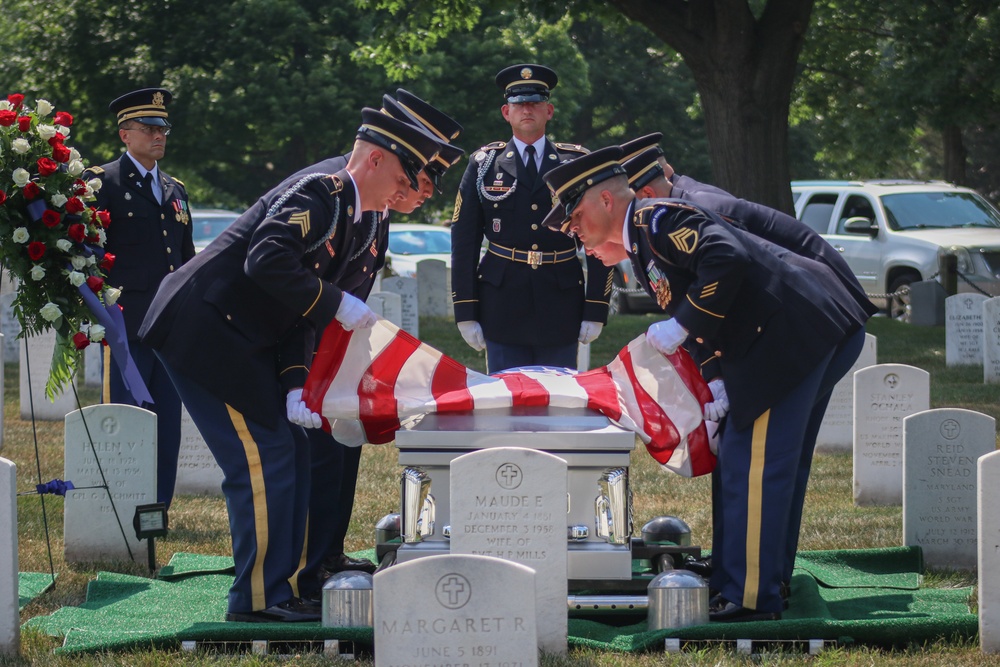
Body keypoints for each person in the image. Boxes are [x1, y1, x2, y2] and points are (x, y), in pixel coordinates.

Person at [541, 146, 872, 622]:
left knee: (754, 464)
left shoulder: (655, 219)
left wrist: (682, 323)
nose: (573, 230)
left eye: (574, 216)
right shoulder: (643, 238)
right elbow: (700, 321)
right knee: (756, 458)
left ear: (606, 201)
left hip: (788, 338)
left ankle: (751, 597)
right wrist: (714, 382)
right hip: (790, 338)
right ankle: (755, 577)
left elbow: (725, 258)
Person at [138, 108, 443, 623]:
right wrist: (334, 302)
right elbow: (268, 260)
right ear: (373, 159)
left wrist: (295, 384)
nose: (401, 192)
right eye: (399, 178)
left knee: (292, 451)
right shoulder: (321, 193)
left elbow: (296, 315)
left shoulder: (353, 214)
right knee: (262, 459)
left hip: (245, 338)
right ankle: (257, 600)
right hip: (203, 332)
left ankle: (284, 585)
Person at [618, 140, 880, 593]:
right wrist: (717, 381)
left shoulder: (692, 208)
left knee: (760, 457)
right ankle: (745, 572)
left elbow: (750, 270)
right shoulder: (657, 224)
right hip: (788, 324)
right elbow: (700, 306)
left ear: (643, 192)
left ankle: (752, 586)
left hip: (807, 318)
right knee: (761, 455)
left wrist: (834, 302)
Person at [298, 92, 464, 599]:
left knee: (342, 451)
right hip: (302, 347)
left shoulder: (377, 205)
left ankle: (327, 552)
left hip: (333, 346)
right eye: (419, 181)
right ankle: (306, 564)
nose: (421, 194)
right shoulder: (332, 187)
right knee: (319, 457)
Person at [450, 64, 611, 373]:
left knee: (560, 402)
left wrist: (596, 307)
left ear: (548, 110)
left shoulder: (576, 163)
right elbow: (465, 240)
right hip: (501, 303)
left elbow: (600, 235)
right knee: (506, 401)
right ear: (505, 112)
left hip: (560, 301)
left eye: (535, 102)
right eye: (518, 103)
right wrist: (465, 310)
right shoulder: (485, 163)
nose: (527, 108)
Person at [84, 88, 195, 509]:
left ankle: (157, 506)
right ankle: (125, 501)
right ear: (124, 134)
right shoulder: (102, 183)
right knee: (129, 413)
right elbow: (88, 256)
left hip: (168, 325)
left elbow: (184, 260)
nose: (158, 136)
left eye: (162, 128)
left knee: (167, 420)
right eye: (148, 128)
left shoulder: (175, 189)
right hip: (125, 323)